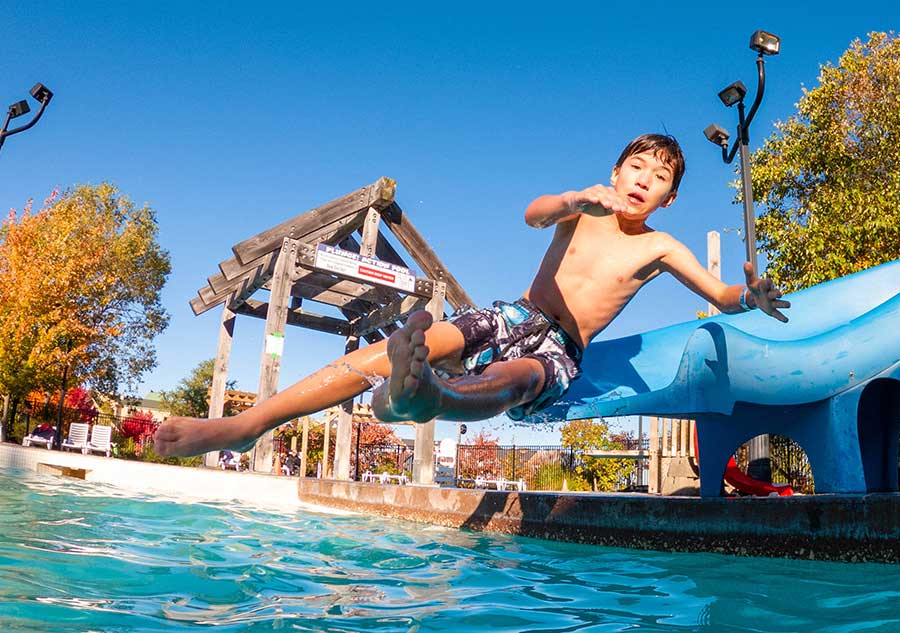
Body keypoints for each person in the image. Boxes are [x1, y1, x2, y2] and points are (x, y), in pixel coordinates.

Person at [155, 134, 790, 458]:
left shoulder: (660, 247)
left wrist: (748, 294)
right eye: (637, 168)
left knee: (519, 378)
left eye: (660, 179)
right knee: (396, 353)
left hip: (560, 348)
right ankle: (247, 424)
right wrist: (574, 197)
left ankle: (430, 395)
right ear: (616, 169)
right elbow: (533, 215)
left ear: (668, 198)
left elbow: (720, 293)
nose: (644, 181)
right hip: (512, 313)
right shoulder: (583, 209)